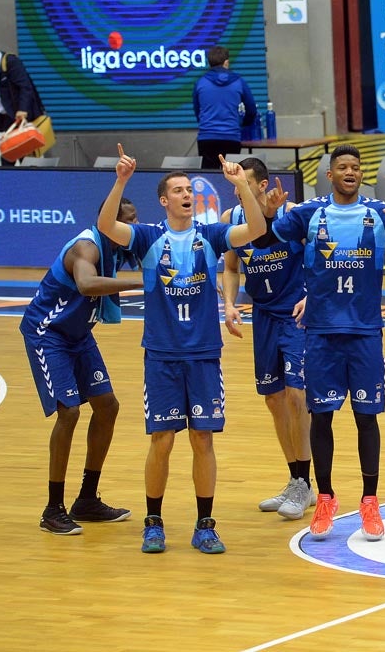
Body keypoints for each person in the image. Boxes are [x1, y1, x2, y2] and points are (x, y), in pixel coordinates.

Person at [97, 145, 267, 554]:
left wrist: (241, 186)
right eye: (177, 190)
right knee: (162, 440)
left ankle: (205, 524)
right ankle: (153, 522)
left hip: (204, 354)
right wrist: (120, 180)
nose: (186, 194)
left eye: (189, 188)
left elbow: (257, 230)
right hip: (162, 355)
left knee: (203, 439)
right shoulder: (148, 238)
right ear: (164, 200)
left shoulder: (209, 236)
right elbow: (106, 226)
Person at [263, 144, 385, 541]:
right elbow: (264, 241)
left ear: (361, 174)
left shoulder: (380, 214)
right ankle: (325, 497)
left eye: (356, 167)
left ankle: (370, 501)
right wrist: (266, 209)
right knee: (322, 417)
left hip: (365, 333)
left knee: (367, 418)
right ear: (329, 175)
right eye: (342, 167)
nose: (350, 171)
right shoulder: (311, 213)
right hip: (322, 334)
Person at [23, 199, 143, 535]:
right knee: (70, 412)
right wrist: (139, 284)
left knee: (108, 406)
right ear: (109, 222)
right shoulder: (85, 248)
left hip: (78, 335)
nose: (133, 226)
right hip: (48, 333)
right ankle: (53, 509)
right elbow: (87, 285)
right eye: (128, 220)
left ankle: (87, 499)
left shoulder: (118, 245)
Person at [220, 158, 313, 521]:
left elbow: (322, 256)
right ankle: (294, 479)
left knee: (297, 394)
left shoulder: (291, 214)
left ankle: (306, 482)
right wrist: (228, 303)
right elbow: (230, 267)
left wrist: (314, 294)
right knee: (274, 400)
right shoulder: (232, 220)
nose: (236, 188)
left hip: (296, 315)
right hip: (262, 316)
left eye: (243, 181)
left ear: (261, 185)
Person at [0, 37, 45, 166]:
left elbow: (25, 87)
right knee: (10, 156)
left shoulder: (10, 62)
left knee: (18, 157)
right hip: (7, 120)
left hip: (18, 118)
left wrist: (23, 109)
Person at [192, 45, 258, 170]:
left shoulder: (200, 82)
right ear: (226, 62)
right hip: (231, 137)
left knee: (209, 178)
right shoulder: (239, 81)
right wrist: (242, 125)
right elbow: (251, 109)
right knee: (231, 177)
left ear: (209, 63)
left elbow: (197, 110)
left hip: (207, 138)